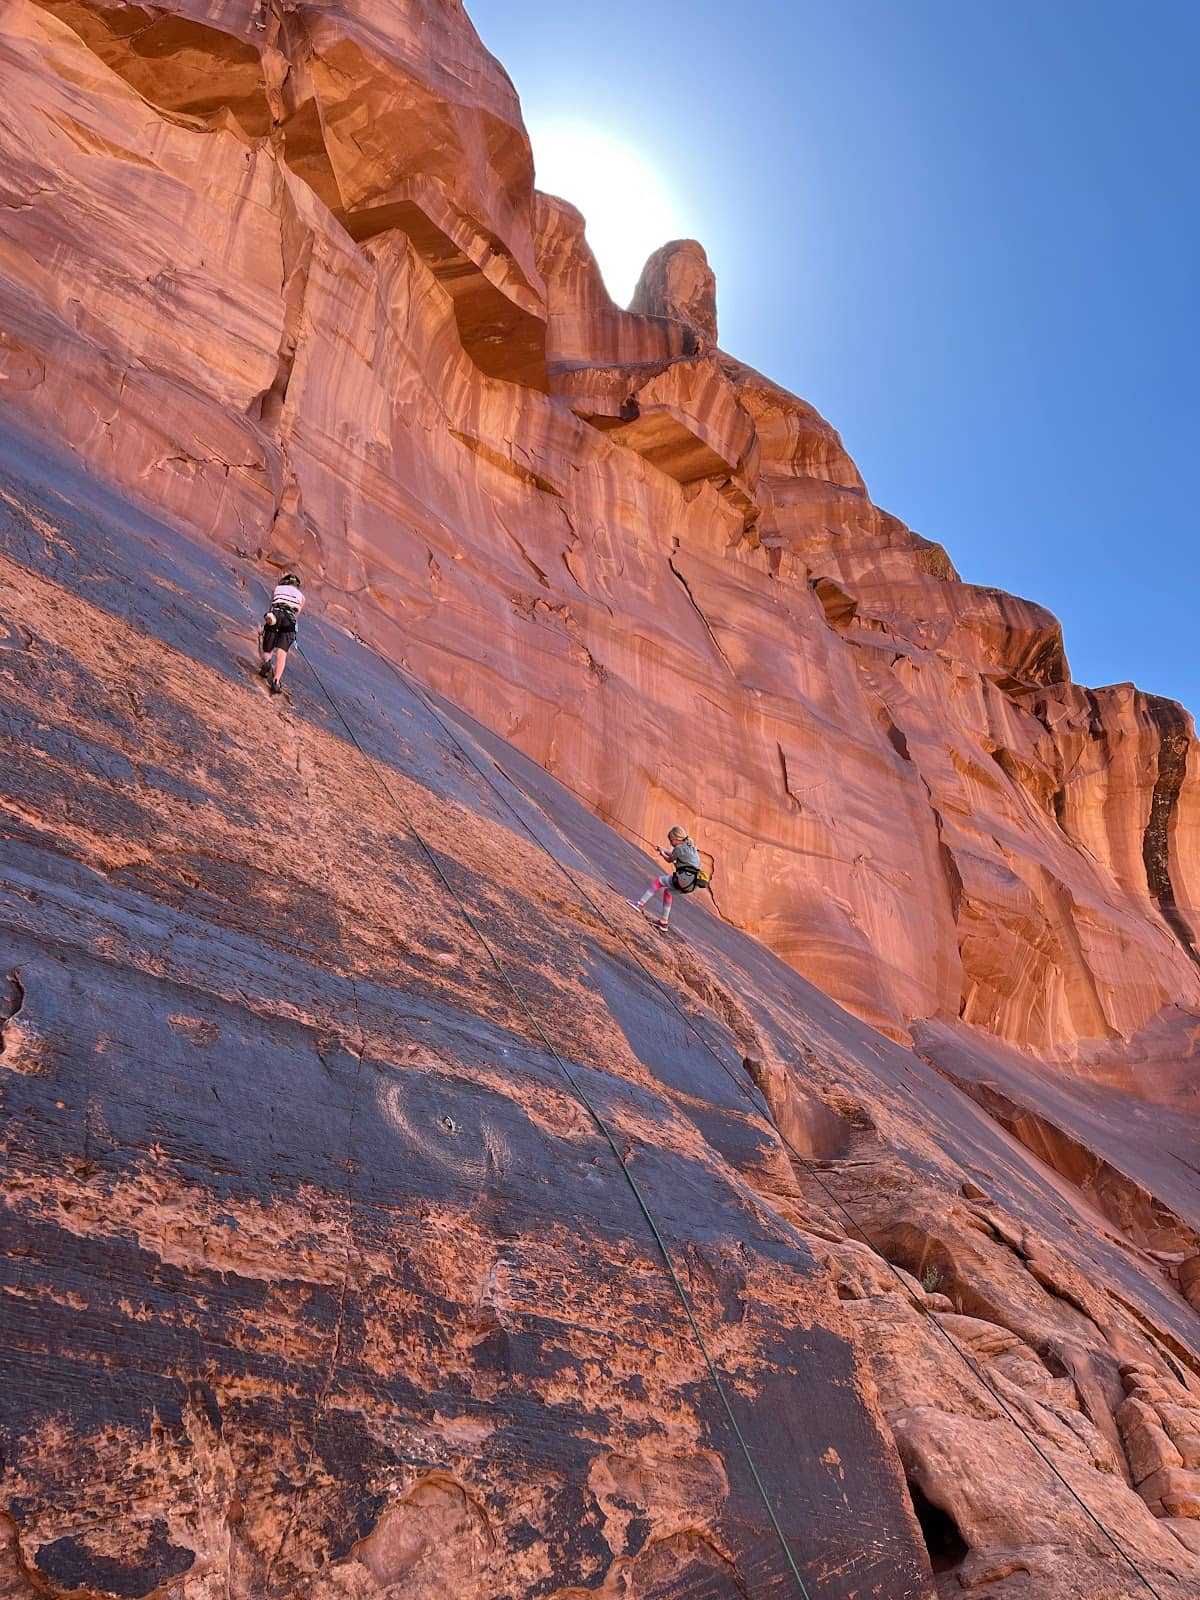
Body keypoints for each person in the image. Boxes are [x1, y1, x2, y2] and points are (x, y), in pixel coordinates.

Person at [629, 825, 702, 932]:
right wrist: (662, 848)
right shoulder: (690, 847)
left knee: (659, 881)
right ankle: (664, 923)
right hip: (693, 884)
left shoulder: (679, 848)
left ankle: (639, 904)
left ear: (677, 839)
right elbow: (675, 854)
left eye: (671, 840)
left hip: (684, 879)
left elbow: (669, 859)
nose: (670, 843)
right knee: (668, 892)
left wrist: (662, 853)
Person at [260, 573, 304, 694]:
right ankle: (276, 681)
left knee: (268, 648)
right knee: (282, 652)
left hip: (277, 613)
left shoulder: (277, 589)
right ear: (297, 586)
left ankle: (267, 661)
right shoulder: (301, 596)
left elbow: (272, 605)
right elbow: (297, 615)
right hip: (290, 619)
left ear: (284, 582)